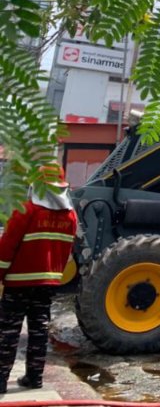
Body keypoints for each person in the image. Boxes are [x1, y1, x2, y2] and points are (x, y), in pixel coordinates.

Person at [0, 163, 77, 394]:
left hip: (18, 282)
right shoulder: (71, 216)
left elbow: (7, 247)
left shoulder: (27, 210)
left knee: (8, 332)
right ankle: (34, 378)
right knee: (39, 331)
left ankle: (0, 380)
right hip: (48, 283)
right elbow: (66, 253)